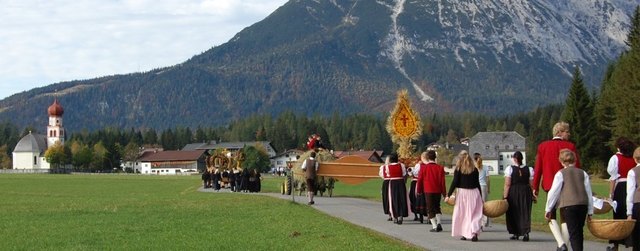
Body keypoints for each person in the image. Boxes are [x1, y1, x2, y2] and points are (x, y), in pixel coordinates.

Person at [532, 121, 579, 248]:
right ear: (559, 132)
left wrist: (534, 187)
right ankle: (563, 244)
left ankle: (561, 243)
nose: (569, 134)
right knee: (565, 217)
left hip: (549, 185)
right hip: (568, 186)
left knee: (550, 215)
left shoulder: (543, 146)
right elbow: (577, 168)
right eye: (567, 131)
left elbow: (538, 169)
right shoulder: (571, 146)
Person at [545, 149, 593, 251]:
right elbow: (588, 192)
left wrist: (548, 208)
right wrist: (590, 211)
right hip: (583, 205)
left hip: (569, 206)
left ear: (561, 161)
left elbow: (554, 192)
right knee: (579, 232)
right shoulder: (583, 173)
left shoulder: (560, 173)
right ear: (575, 160)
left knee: (573, 233)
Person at [446, 150, 483, 241]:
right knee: (475, 214)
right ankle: (474, 233)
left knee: (463, 214)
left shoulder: (458, 169)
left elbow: (455, 182)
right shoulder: (474, 170)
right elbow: (477, 184)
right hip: (475, 193)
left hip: (463, 194)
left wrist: (449, 194)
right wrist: (481, 197)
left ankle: (465, 233)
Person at [607, 137, 637, 251]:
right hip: (633, 186)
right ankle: (633, 242)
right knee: (631, 215)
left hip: (620, 187)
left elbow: (613, 178)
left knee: (618, 217)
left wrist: (611, 193)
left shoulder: (615, 158)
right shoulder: (634, 158)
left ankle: (616, 245)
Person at [503, 151, 534, 241]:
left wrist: (505, 196)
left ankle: (516, 233)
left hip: (514, 192)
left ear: (515, 159)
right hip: (526, 192)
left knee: (513, 212)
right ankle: (526, 233)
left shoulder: (510, 169)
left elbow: (507, 184)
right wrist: (533, 195)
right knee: (525, 212)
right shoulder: (529, 169)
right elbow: (531, 184)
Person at [417, 150, 446, 232]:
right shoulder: (440, 168)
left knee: (430, 208)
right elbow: (442, 182)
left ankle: (434, 226)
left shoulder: (424, 168)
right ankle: (439, 223)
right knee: (437, 207)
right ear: (435, 157)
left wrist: (419, 190)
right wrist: (444, 193)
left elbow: (420, 180)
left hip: (428, 190)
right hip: (438, 190)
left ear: (428, 158)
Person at [384, 153, 409, 224]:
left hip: (393, 183)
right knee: (402, 198)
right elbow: (404, 174)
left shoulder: (388, 166)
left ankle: (395, 216)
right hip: (401, 182)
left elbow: (388, 174)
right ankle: (401, 215)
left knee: (393, 198)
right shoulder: (401, 165)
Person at [626, 147, 640, 251]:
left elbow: (630, 193)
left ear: (635, 159)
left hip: (638, 204)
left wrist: (629, 212)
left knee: (637, 236)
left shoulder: (633, 172)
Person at [474, 152, 491, 228]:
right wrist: (488, 188)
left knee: (476, 205)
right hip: (483, 186)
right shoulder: (485, 167)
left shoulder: (473, 167)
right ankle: (484, 222)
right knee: (484, 205)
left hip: (475, 187)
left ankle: (477, 221)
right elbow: (488, 179)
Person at [379, 156, 392, 221]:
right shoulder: (393, 166)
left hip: (386, 182)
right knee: (392, 197)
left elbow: (382, 175)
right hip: (392, 182)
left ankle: (390, 214)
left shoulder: (383, 167)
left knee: (387, 198)